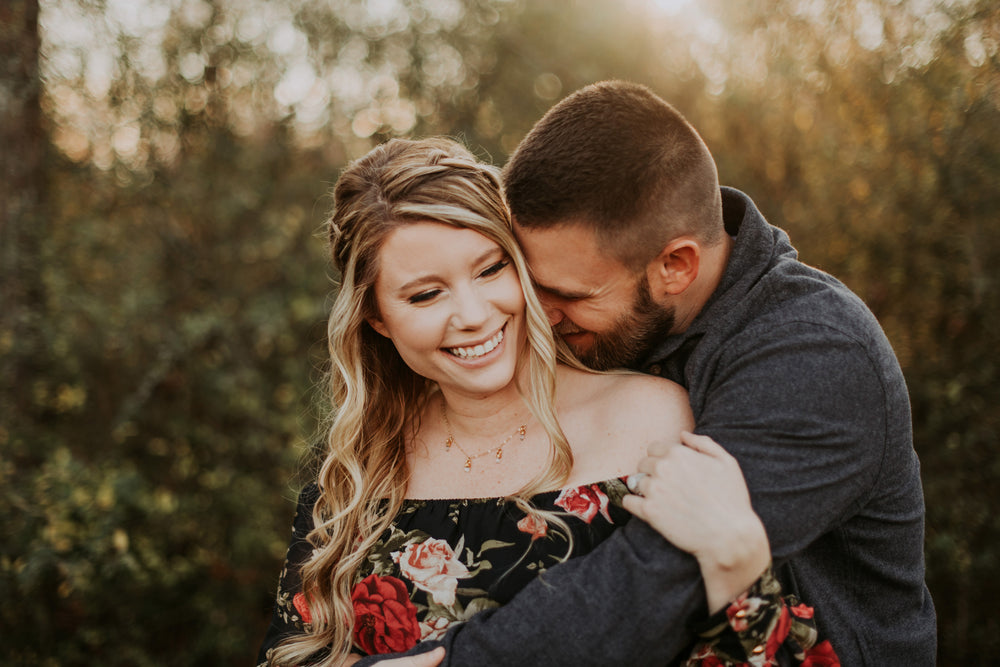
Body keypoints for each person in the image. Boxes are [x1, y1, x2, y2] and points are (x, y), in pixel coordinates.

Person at [350, 82, 936, 666]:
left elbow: (657, 580)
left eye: (567, 295)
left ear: (675, 266)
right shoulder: (633, 308)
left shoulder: (815, 355)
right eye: (530, 281)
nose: (542, 315)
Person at [257, 137, 833, 667]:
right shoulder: (357, 471)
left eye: (491, 269)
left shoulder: (653, 418)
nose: (474, 315)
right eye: (427, 293)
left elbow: (735, 638)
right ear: (377, 318)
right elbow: (290, 653)